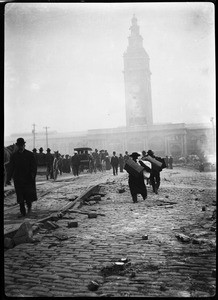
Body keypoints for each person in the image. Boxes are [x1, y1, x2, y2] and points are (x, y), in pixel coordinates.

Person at [9, 138, 37, 217]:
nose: (21, 147)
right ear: (17, 146)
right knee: (20, 196)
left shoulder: (30, 154)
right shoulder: (14, 156)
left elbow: (34, 166)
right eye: (19, 145)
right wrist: (9, 178)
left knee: (28, 195)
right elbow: (11, 167)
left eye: (22, 145)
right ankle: (22, 212)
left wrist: (32, 175)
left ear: (24, 145)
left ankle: (29, 209)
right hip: (18, 179)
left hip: (28, 178)